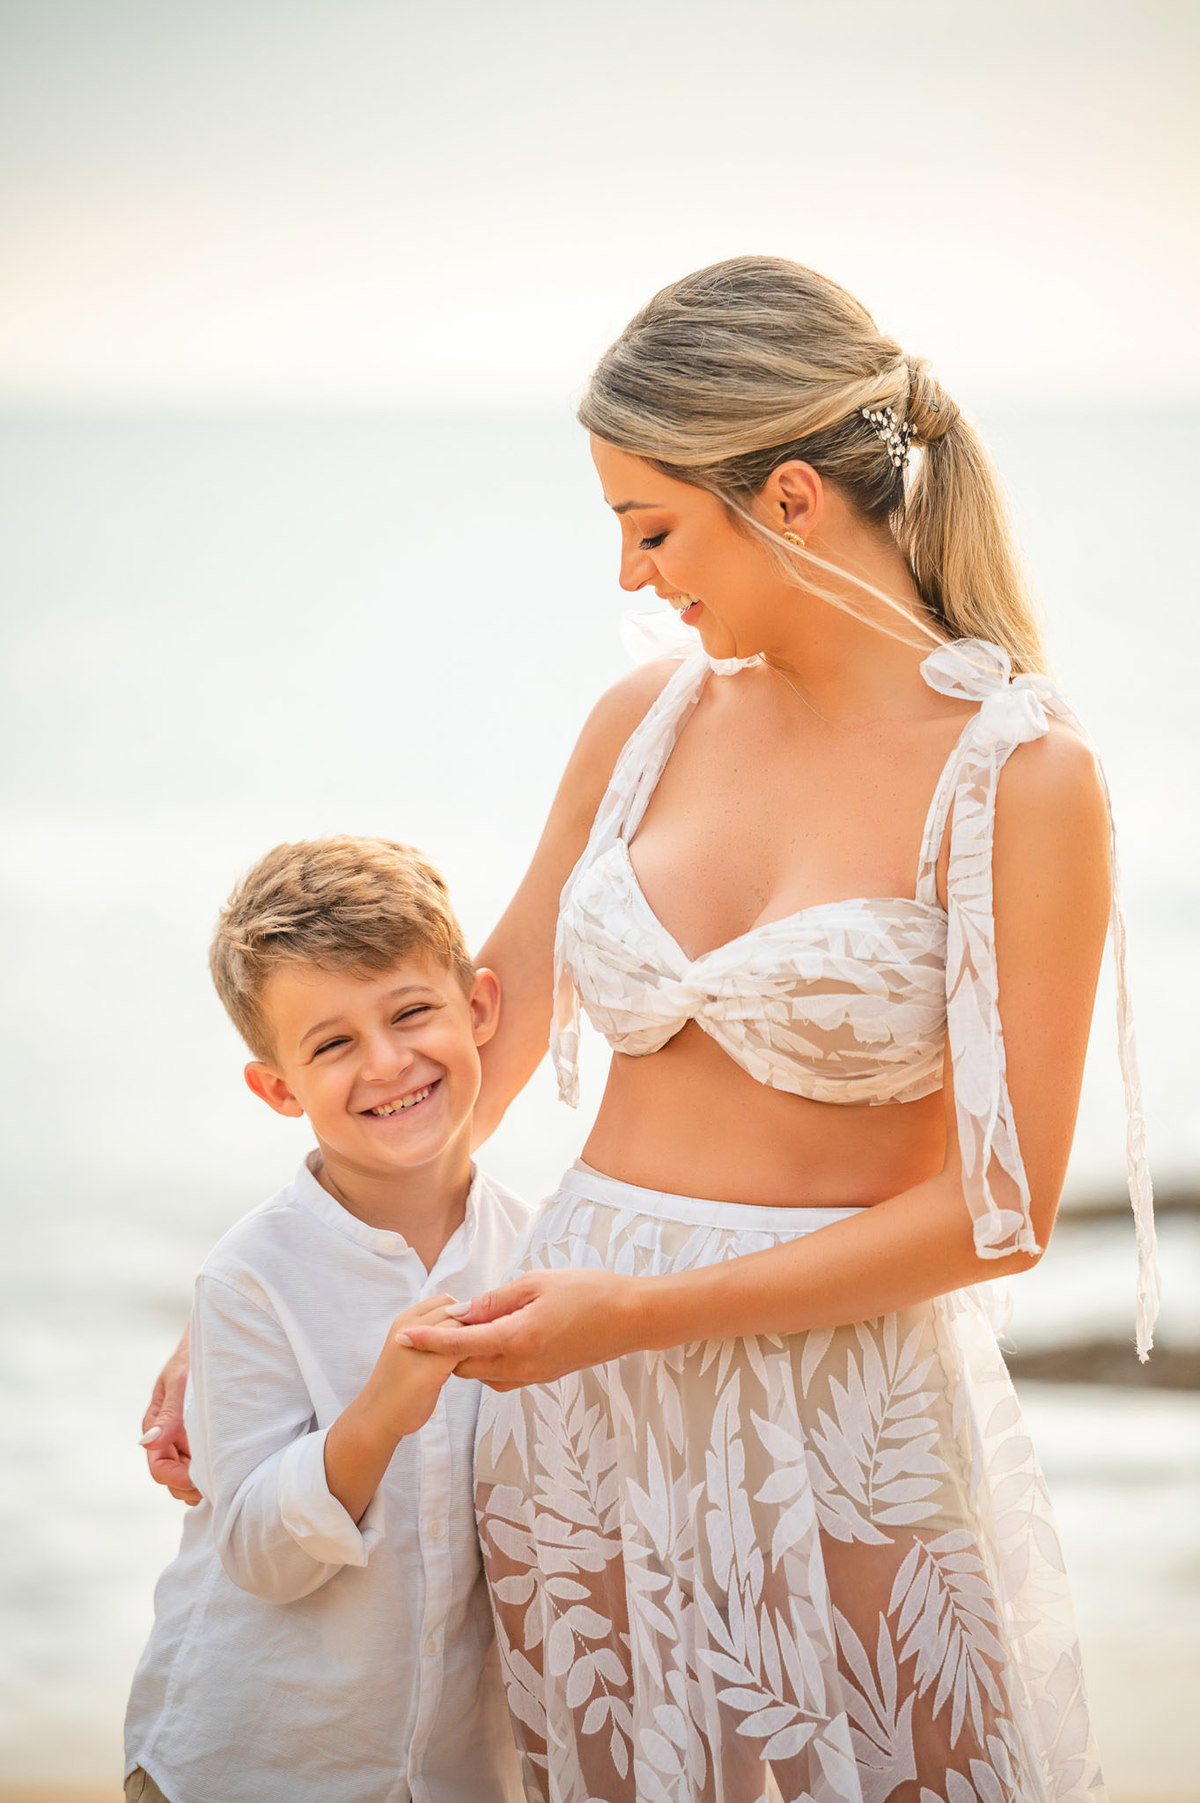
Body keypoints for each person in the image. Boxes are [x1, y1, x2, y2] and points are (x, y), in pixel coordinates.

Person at [395, 257, 1160, 1801]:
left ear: (793, 496)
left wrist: (637, 1315)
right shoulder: (641, 728)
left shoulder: (1020, 775)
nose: (631, 579)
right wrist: (260, 1305)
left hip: (845, 1415)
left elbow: (998, 1212)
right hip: (571, 1415)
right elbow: (447, 1077)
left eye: (651, 526)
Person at [126, 836, 527, 1803]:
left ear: (477, 1009)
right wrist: (376, 1415)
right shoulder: (250, 1279)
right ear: (278, 1087)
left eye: (412, 1012)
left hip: (452, 1771)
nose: (388, 1063)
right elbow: (260, 1552)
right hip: (255, 1763)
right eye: (333, 1043)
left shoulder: (535, 1251)